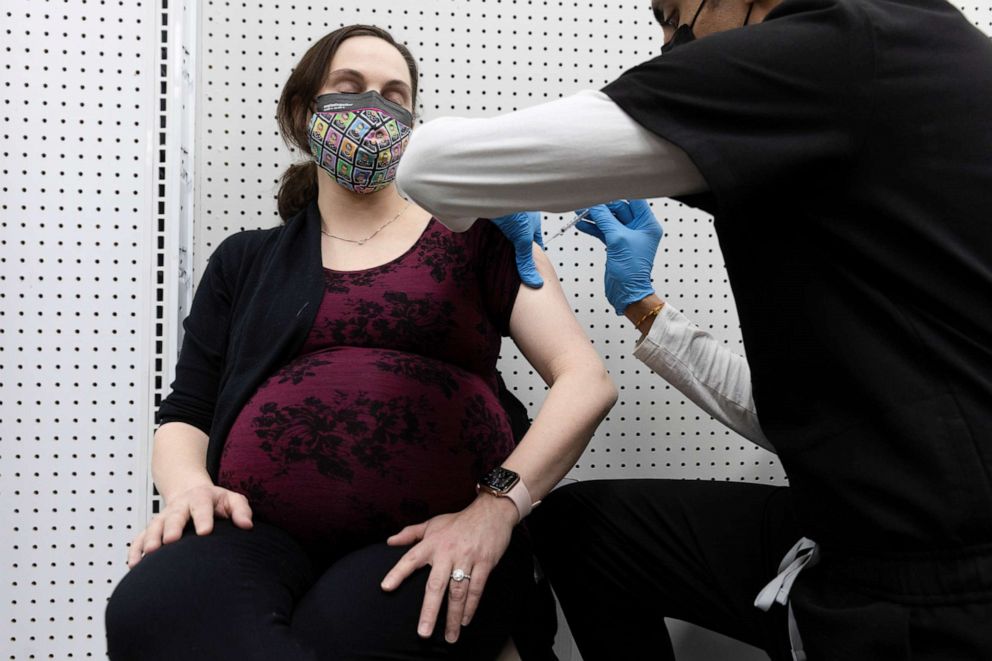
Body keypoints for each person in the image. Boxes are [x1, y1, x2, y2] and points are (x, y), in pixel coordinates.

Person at [394, 0, 992, 659]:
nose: (670, 43)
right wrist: (643, 304)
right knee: (590, 530)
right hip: (871, 518)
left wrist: (500, 189)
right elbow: (813, 414)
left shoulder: (839, 51)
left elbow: (434, 167)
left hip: (935, 581)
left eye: (678, 15)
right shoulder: (929, 62)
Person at [104, 25, 620, 661]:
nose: (373, 109)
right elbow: (186, 413)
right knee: (149, 611)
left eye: (394, 96)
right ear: (303, 111)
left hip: (431, 536)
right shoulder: (246, 261)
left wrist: (496, 509)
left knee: (341, 642)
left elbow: (584, 380)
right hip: (258, 532)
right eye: (349, 89)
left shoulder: (481, 236)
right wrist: (186, 487)